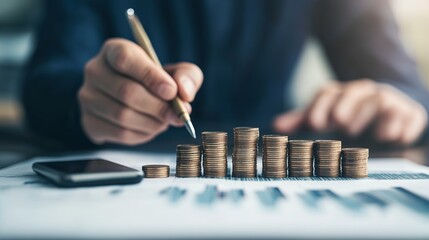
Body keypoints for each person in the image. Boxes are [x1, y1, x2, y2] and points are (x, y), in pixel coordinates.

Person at [23, 0, 429, 149]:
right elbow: (45, 84)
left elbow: (406, 88)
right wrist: (87, 100)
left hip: (272, 158)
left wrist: (401, 104)